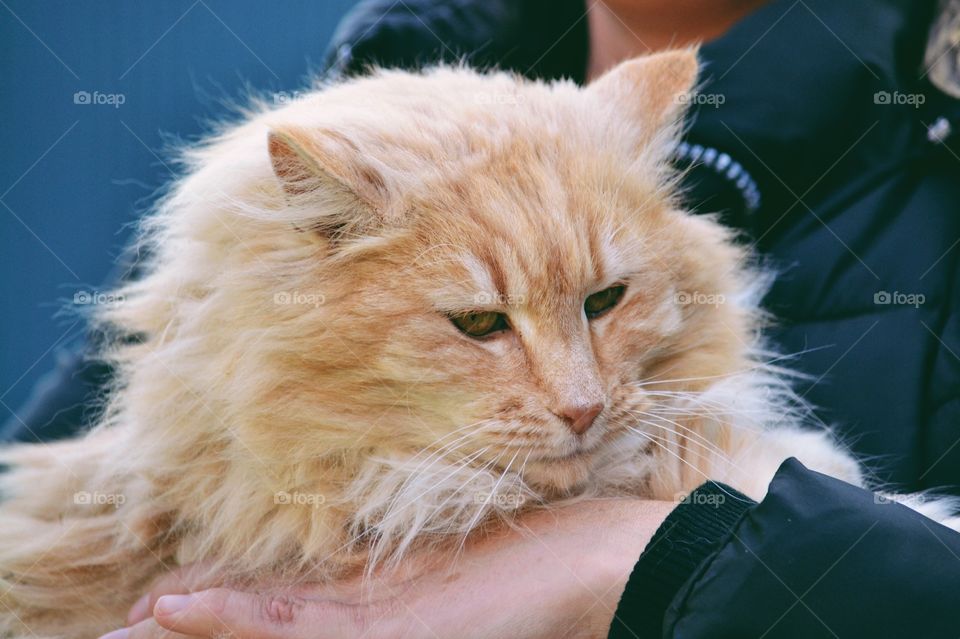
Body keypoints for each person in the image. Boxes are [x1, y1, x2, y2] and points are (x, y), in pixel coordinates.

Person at [10, 0, 960, 637]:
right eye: (480, 323)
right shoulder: (329, 153)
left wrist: (647, 554)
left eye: (605, 303)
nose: (581, 397)